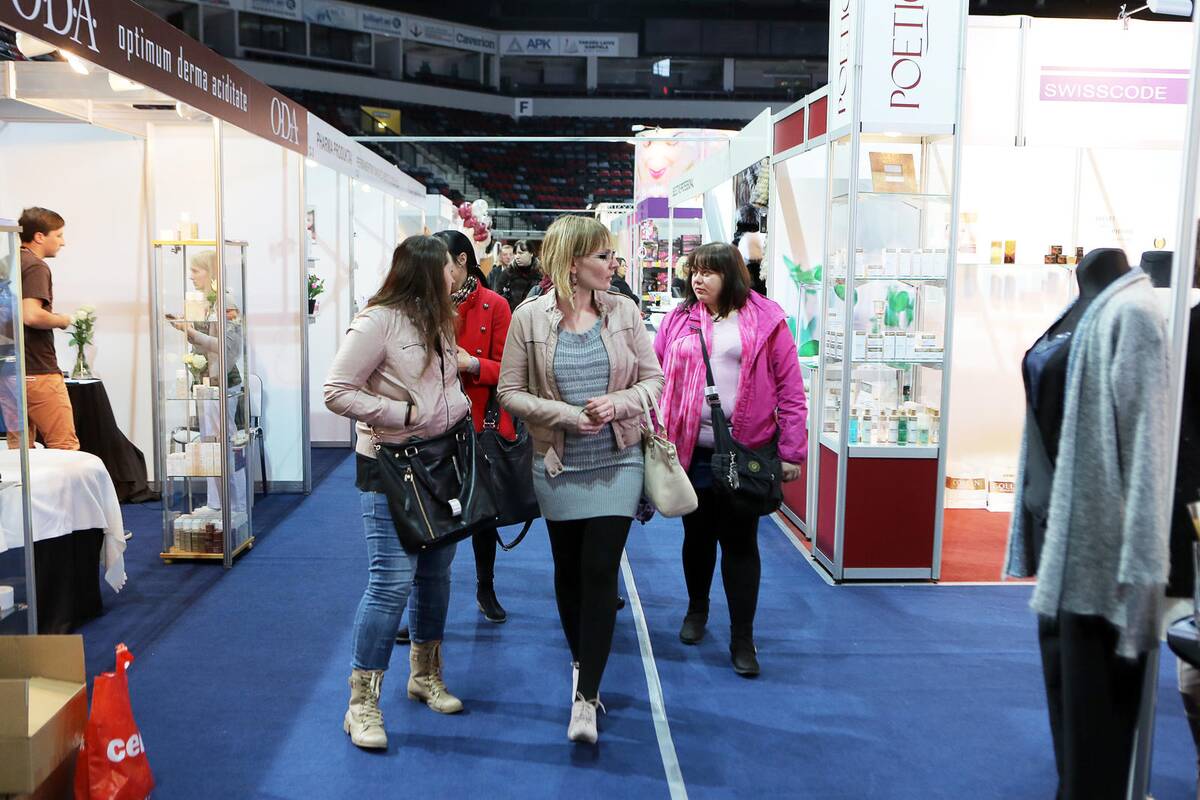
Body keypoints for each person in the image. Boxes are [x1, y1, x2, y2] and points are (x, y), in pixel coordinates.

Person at [498, 215, 663, 744]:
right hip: (557, 464)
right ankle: (580, 661)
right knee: (568, 572)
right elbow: (509, 392)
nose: (614, 264)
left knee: (599, 569)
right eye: (603, 256)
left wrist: (619, 403)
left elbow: (654, 380)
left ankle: (586, 697)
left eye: (612, 256)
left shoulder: (625, 312)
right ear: (572, 264)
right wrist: (566, 416)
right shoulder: (528, 318)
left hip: (619, 459)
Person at [324, 235, 470, 751]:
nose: (455, 274)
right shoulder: (377, 322)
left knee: (436, 573)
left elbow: (440, 387)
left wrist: (454, 408)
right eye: (449, 267)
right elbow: (336, 390)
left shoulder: (440, 319)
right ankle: (361, 703)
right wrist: (401, 414)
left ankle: (424, 675)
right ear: (428, 272)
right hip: (389, 466)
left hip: (442, 463)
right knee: (390, 582)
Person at [654, 242, 808, 677]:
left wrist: (792, 451)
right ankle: (697, 609)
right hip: (690, 450)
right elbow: (655, 373)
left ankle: (743, 637)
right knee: (697, 536)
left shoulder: (766, 319)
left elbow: (791, 390)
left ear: (732, 275)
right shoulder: (680, 318)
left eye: (708, 272)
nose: (697, 279)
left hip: (746, 450)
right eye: (694, 271)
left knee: (740, 543)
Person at [434, 229, 516, 624]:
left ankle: (486, 586)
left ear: (461, 261)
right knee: (433, 515)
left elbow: (510, 371)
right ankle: (426, 603)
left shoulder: (495, 305)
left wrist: (472, 364)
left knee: (484, 515)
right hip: (433, 423)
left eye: (441, 263)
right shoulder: (426, 305)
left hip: (481, 420)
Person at [167, 250, 247, 517]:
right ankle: (217, 503)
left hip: (223, 383)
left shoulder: (226, 302)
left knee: (225, 444)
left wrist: (190, 331)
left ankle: (235, 505)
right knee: (210, 445)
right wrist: (187, 329)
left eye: (196, 270)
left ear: (211, 272)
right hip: (206, 383)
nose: (191, 276)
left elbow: (228, 348)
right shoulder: (206, 303)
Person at [7, 207, 78, 450]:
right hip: (38, 370)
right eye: (58, 235)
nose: (63, 242)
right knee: (64, 445)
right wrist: (62, 320)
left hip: (10, 373)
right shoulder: (36, 266)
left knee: (20, 450)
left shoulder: (8, 263)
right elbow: (31, 315)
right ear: (39, 236)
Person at [491, 239, 542, 312]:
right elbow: (497, 295)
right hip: (511, 314)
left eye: (521, 253)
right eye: (515, 253)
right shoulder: (508, 272)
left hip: (533, 314)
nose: (517, 256)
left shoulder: (540, 273)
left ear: (531, 253)